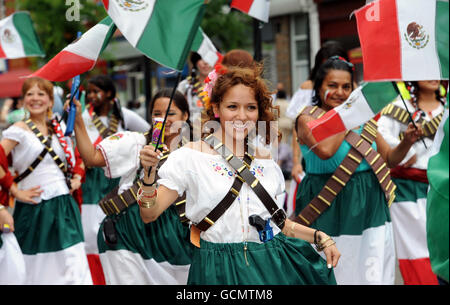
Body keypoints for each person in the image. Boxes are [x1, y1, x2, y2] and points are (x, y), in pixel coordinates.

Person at [139, 64, 340, 285]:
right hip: (215, 270)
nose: (242, 116)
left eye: (250, 107)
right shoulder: (189, 157)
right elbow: (150, 214)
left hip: (268, 266)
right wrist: (148, 176)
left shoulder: (266, 162)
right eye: (232, 106)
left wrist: (320, 237)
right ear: (217, 108)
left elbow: (280, 225)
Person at [292, 57, 423, 284]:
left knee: (372, 271)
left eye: (346, 87)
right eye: (332, 86)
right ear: (319, 87)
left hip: (370, 206)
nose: (340, 92)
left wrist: (407, 142)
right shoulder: (307, 118)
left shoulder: (363, 118)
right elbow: (325, 151)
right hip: (328, 206)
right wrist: (347, 116)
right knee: (334, 270)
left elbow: (390, 159)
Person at [69, 88, 194, 284]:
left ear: (185, 116)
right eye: (157, 114)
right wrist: (77, 121)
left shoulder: (198, 152)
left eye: (171, 113)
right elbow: (91, 157)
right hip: (128, 234)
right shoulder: (135, 142)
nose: (164, 119)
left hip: (176, 238)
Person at [0, 77, 91, 284]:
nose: (35, 98)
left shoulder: (60, 127)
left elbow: (80, 153)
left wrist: (77, 175)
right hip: (34, 210)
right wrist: (13, 190)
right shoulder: (19, 130)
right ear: (23, 101)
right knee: (35, 271)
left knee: (75, 268)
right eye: (30, 94)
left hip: (65, 208)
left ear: (51, 101)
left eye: (41, 94)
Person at [79, 74, 150, 284]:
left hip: (115, 181)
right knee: (91, 234)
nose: (92, 96)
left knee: (112, 228)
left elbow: (149, 132)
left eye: (95, 91)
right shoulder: (83, 117)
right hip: (92, 183)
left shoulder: (124, 115)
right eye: (89, 92)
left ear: (109, 93)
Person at [378, 80, 447, 285]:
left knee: (442, 243)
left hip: (441, 189)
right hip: (408, 190)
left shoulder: (446, 108)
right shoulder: (399, 108)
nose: (432, 77)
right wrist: (407, 150)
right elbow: (380, 133)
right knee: (417, 250)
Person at [287, 41, 350, 201]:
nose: (339, 92)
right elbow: (298, 127)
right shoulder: (308, 88)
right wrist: (296, 162)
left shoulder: (353, 90)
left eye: (339, 62)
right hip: (316, 158)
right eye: (327, 62)